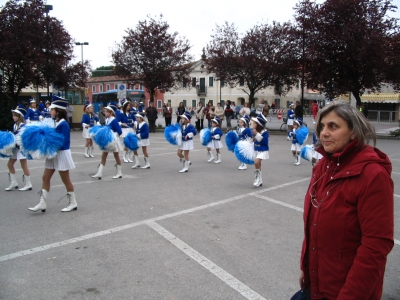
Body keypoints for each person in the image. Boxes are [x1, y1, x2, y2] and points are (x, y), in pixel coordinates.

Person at [298, 101, 394, 299]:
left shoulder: (373, 175)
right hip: (315, 285)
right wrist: (305, 268)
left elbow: (376, 246)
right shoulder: (323, 166)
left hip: (346, 292)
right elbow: (313, 225)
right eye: (322, 126)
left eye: (333, 126)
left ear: (353, 132)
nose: (324, 133)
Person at [28, 96, 77, 212]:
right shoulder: (56, 122)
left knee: (66, 180)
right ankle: (42, 203)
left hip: (61, 154)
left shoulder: (64, 124)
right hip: (53, 153)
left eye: (52, 109)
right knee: (45, 177)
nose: (50, 111)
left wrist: (47, 145)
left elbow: (62, 142)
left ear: (58, 111)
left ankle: (73, 202)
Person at [91, 103, 123, 180]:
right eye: (105, 111)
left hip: (113, 141)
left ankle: (119, 173)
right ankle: (100, 173)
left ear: (111, 112)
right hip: (108, 141)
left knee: (116, 156)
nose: (105, 113)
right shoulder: (107, 119)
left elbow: (120, 131)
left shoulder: (114, 120)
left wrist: (113, 135)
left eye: (106, 111)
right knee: (104, 156)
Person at [5, 105, 33, 192]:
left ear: (19, 116)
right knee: (10, 164)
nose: (13, 117)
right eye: (13, 115)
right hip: (15, 148)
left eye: (15, 115)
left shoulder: (23, 126)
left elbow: (23, 138)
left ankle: (28, 184)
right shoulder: (14, 125)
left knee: (24, 165)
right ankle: (14, 182)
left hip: (21, 148)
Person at [251, 113, 269, 187]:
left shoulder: (265, 132)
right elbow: (254, 140)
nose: (253, 124)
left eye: (255, 123)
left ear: (259, 124)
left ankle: (257, 178)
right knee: (259, 164)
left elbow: (264, 141)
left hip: (263, 150)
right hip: (257, 149)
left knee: (256, 162)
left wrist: (257, 134)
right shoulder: (255, 131)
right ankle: (260, 180)